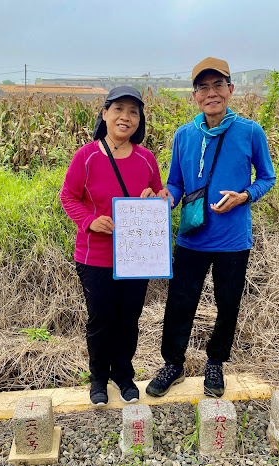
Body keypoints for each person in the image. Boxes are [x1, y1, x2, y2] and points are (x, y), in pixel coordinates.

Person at [147, 57, 276, 398]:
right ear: (194, 96)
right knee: (179, 303)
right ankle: (173, 364)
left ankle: (215, 363)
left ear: (231, 90)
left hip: (233, 240)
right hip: (191, 238)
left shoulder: (250, 132)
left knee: (228, 304)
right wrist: (166, 198)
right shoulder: (184, 135)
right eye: (203, 87)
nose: (211, 93)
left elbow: (267, 177)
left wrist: (245, 195)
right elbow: (175, 182)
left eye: (218, 85)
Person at [60, 86, 164, 406]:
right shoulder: (87, 156)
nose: (126, 117)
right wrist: (90, 220)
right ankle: (98, 379)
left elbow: (161, 197)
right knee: (100, 319)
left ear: (139, 120)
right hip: (96, 256)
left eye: (133, 111)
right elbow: (68, 196)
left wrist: (157, 200)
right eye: (119, 109)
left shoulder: (146, 159)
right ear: (105, 113)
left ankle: (123, 374)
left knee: (128, 318)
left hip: (135, 256)